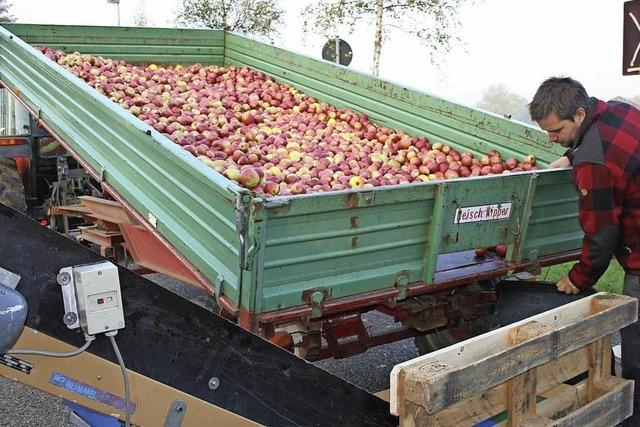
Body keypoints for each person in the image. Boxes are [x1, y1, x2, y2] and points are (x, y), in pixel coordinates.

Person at [529, 77, 640, 426]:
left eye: (557, 130)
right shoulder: (621, 110)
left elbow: (602, 234)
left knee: (635, 335)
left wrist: (579, 278)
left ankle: (632, 412)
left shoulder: (594, 164)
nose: (552, 139)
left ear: (579, 114)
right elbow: (605, 143)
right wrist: (570, 155)